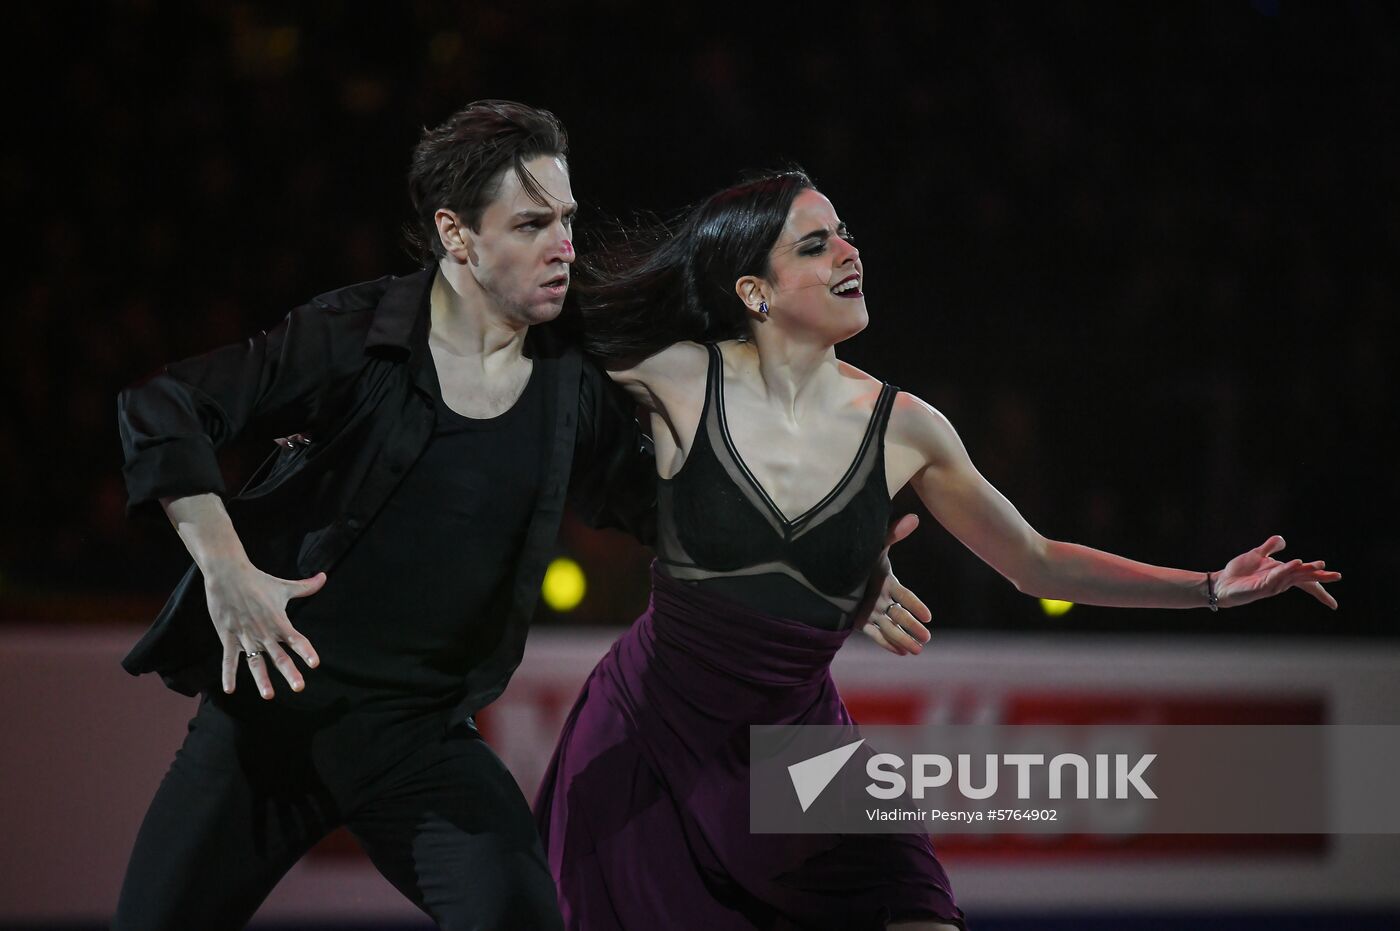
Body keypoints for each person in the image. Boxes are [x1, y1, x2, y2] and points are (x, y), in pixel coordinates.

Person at [112, 101, 926, 930]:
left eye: (567, 219)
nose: (564, 246)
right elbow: (165, 406)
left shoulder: (571, 368)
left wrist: (829, 551)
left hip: (419, 742)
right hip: (269, 729)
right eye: (533, 223)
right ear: (457, 235)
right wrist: (225, 566)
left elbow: (665, 505)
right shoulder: (357, 334)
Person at [533, 169, 1341, 930]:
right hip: (647, 734)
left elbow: (1037, 562)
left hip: (797, 755)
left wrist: (1208, 587)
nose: (850, 251)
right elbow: (520, 353)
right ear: (755, 291)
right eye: (815, 245)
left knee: (917, 904)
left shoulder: (906, 427)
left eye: (845, 234)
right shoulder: (678, 379)